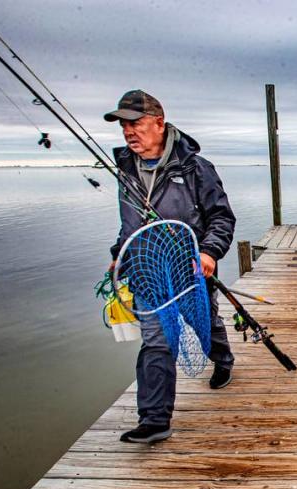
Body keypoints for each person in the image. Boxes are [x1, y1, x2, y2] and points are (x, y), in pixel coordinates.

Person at [104, 89, 236, 444]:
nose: (129, 132)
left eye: (136, 123)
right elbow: (130, 225)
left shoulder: (196, 167)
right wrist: (121, 252)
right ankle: (155, 419)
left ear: (159, 123)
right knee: (155, 342)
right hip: (148, 272)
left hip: (190, 268)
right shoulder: (126, 169)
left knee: (204, 324)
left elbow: (222, 217)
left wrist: (209, 252)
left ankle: (223, 359)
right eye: (124, 126)